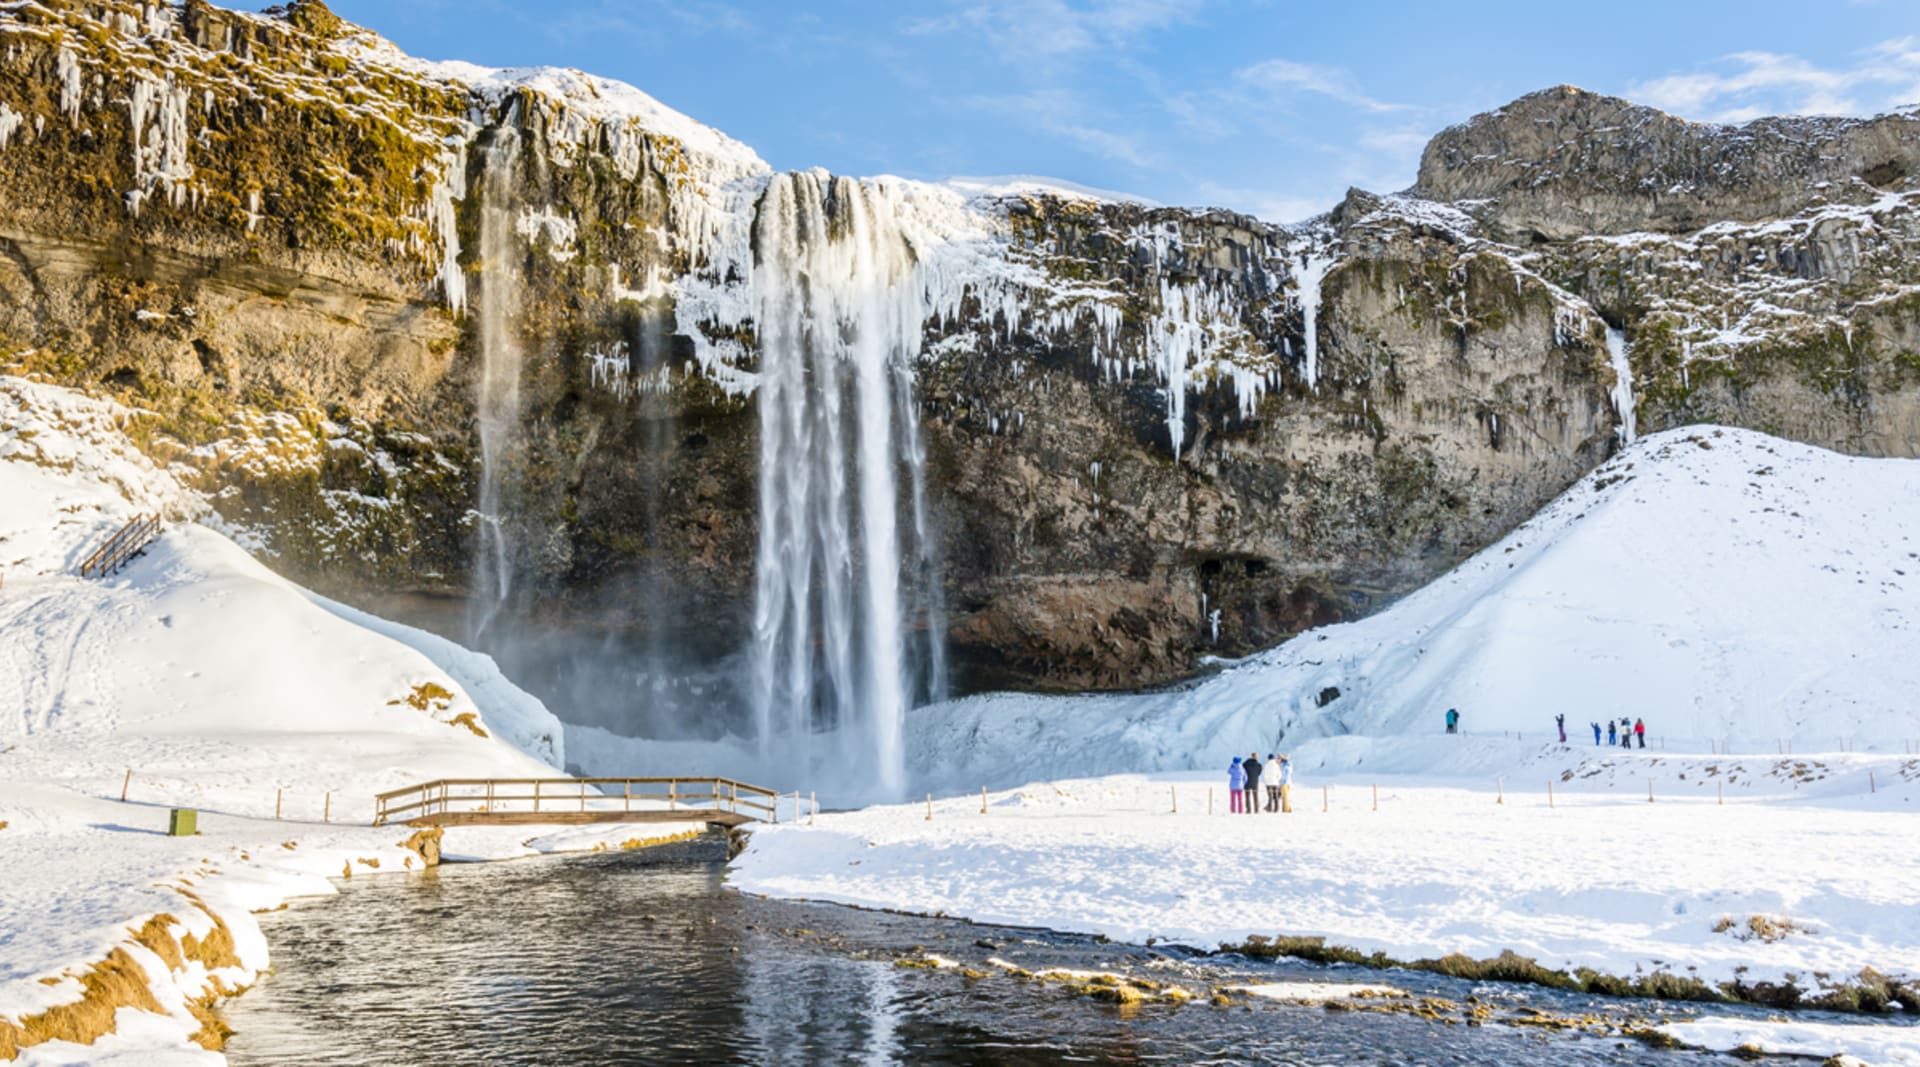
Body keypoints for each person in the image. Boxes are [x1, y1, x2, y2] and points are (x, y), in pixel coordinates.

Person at [1241, 751, 1263, 816]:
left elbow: (1242, 767)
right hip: (1255, 782)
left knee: (1247, 796)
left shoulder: (1246, 764)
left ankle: (1248, 810)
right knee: (1255, 796)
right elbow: (1259, 773)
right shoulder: (1259, 765)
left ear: (1251, 756)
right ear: (1256, 757)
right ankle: (1256, 809)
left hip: (1247, 782)